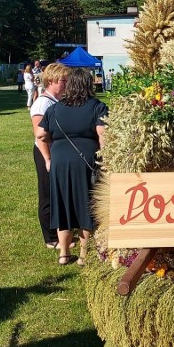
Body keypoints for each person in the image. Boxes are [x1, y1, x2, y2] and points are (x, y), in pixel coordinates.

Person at [37, 67, 108, 265]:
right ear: (88, 85)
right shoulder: (97, 106)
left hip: (59, 161)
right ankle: (84, 256)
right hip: (86, 162)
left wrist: (49, 158)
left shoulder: (55, 108)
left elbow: (40, 135)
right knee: (86, 205)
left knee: (62, 204)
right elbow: (103, 134)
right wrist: (106, 160)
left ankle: (64, 253)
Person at [31, 63, 70, 251]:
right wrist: (47, 159)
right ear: (52, 80)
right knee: (47, 193)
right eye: (63, 80)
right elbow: (39, 135)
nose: (66, 84)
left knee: (57, 192)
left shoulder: (56, 101)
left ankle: (60, 230)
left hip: (56, 152)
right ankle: (50, 237)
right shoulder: (42, 103)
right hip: (45, 152)